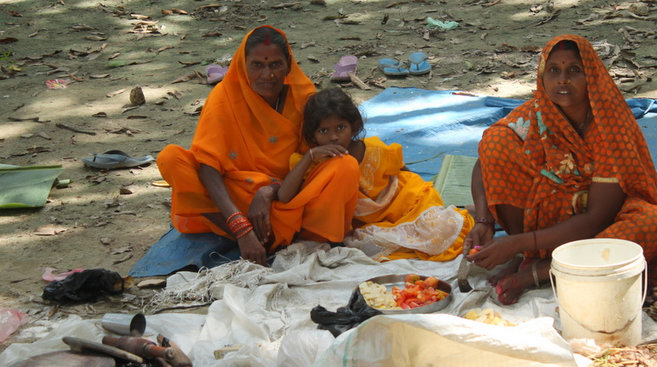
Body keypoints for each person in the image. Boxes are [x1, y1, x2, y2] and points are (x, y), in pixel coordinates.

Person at [464, 34, 657, 305]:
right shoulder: (537, 113)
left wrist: (517, 244)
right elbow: (484, 162)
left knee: (656, 222)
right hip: (548, 225)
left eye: (574, 71)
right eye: (554, 70)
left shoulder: (610, 127)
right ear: (542, 77)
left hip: (601, 228)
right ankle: (538, 255)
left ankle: (542, 271)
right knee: (496, 141)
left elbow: (596, 218)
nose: (563, 80)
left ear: (591, 76)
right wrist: (484, 221)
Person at [156, 26, 360, 266]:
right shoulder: (224, 97)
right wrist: (240, 228)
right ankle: (249, 239)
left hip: (287, 198)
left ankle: (307, 239)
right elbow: (207, 164)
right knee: (170, 158)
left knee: (344, 165)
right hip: (236, 201)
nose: (268, 74)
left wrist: (268, 191)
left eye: (275, 64)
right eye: (257, 65)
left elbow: (317, 157)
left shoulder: (303, 96)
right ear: (244, 65)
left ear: (288, 64)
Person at [280, 88, 473, 261]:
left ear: (354, 126)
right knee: (366, 244)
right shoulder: (313, 162)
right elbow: (284, 196)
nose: (334, 137)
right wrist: (310, 156)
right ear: (313, 136)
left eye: (341, 127)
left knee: (443, 228)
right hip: (371, 224)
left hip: (405, 203)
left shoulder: (374, 149)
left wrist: (427, 199)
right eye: (324, 130)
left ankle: (467, 212)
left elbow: (405, 174)